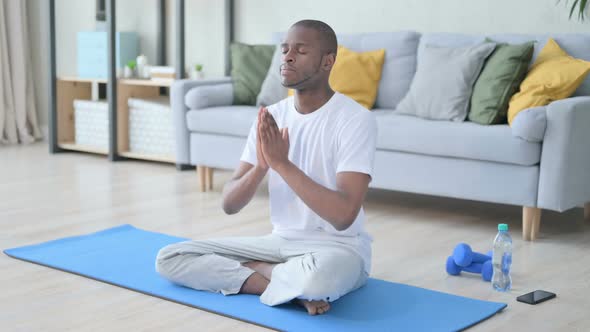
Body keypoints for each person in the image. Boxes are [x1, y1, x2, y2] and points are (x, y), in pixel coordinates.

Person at [156, 19, 377, 316]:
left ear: (328, 62)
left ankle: (276, 277)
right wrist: (261, 166)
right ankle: (280, 283)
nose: (287, 56)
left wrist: (281, 164)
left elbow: (343, 216)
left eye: (300, 50)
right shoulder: (271, 116)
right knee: (171, 257)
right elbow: (229, 204)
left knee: (316, 280)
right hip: (279, 244)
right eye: (285, 49)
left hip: (339, 249)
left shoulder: (355, 119)